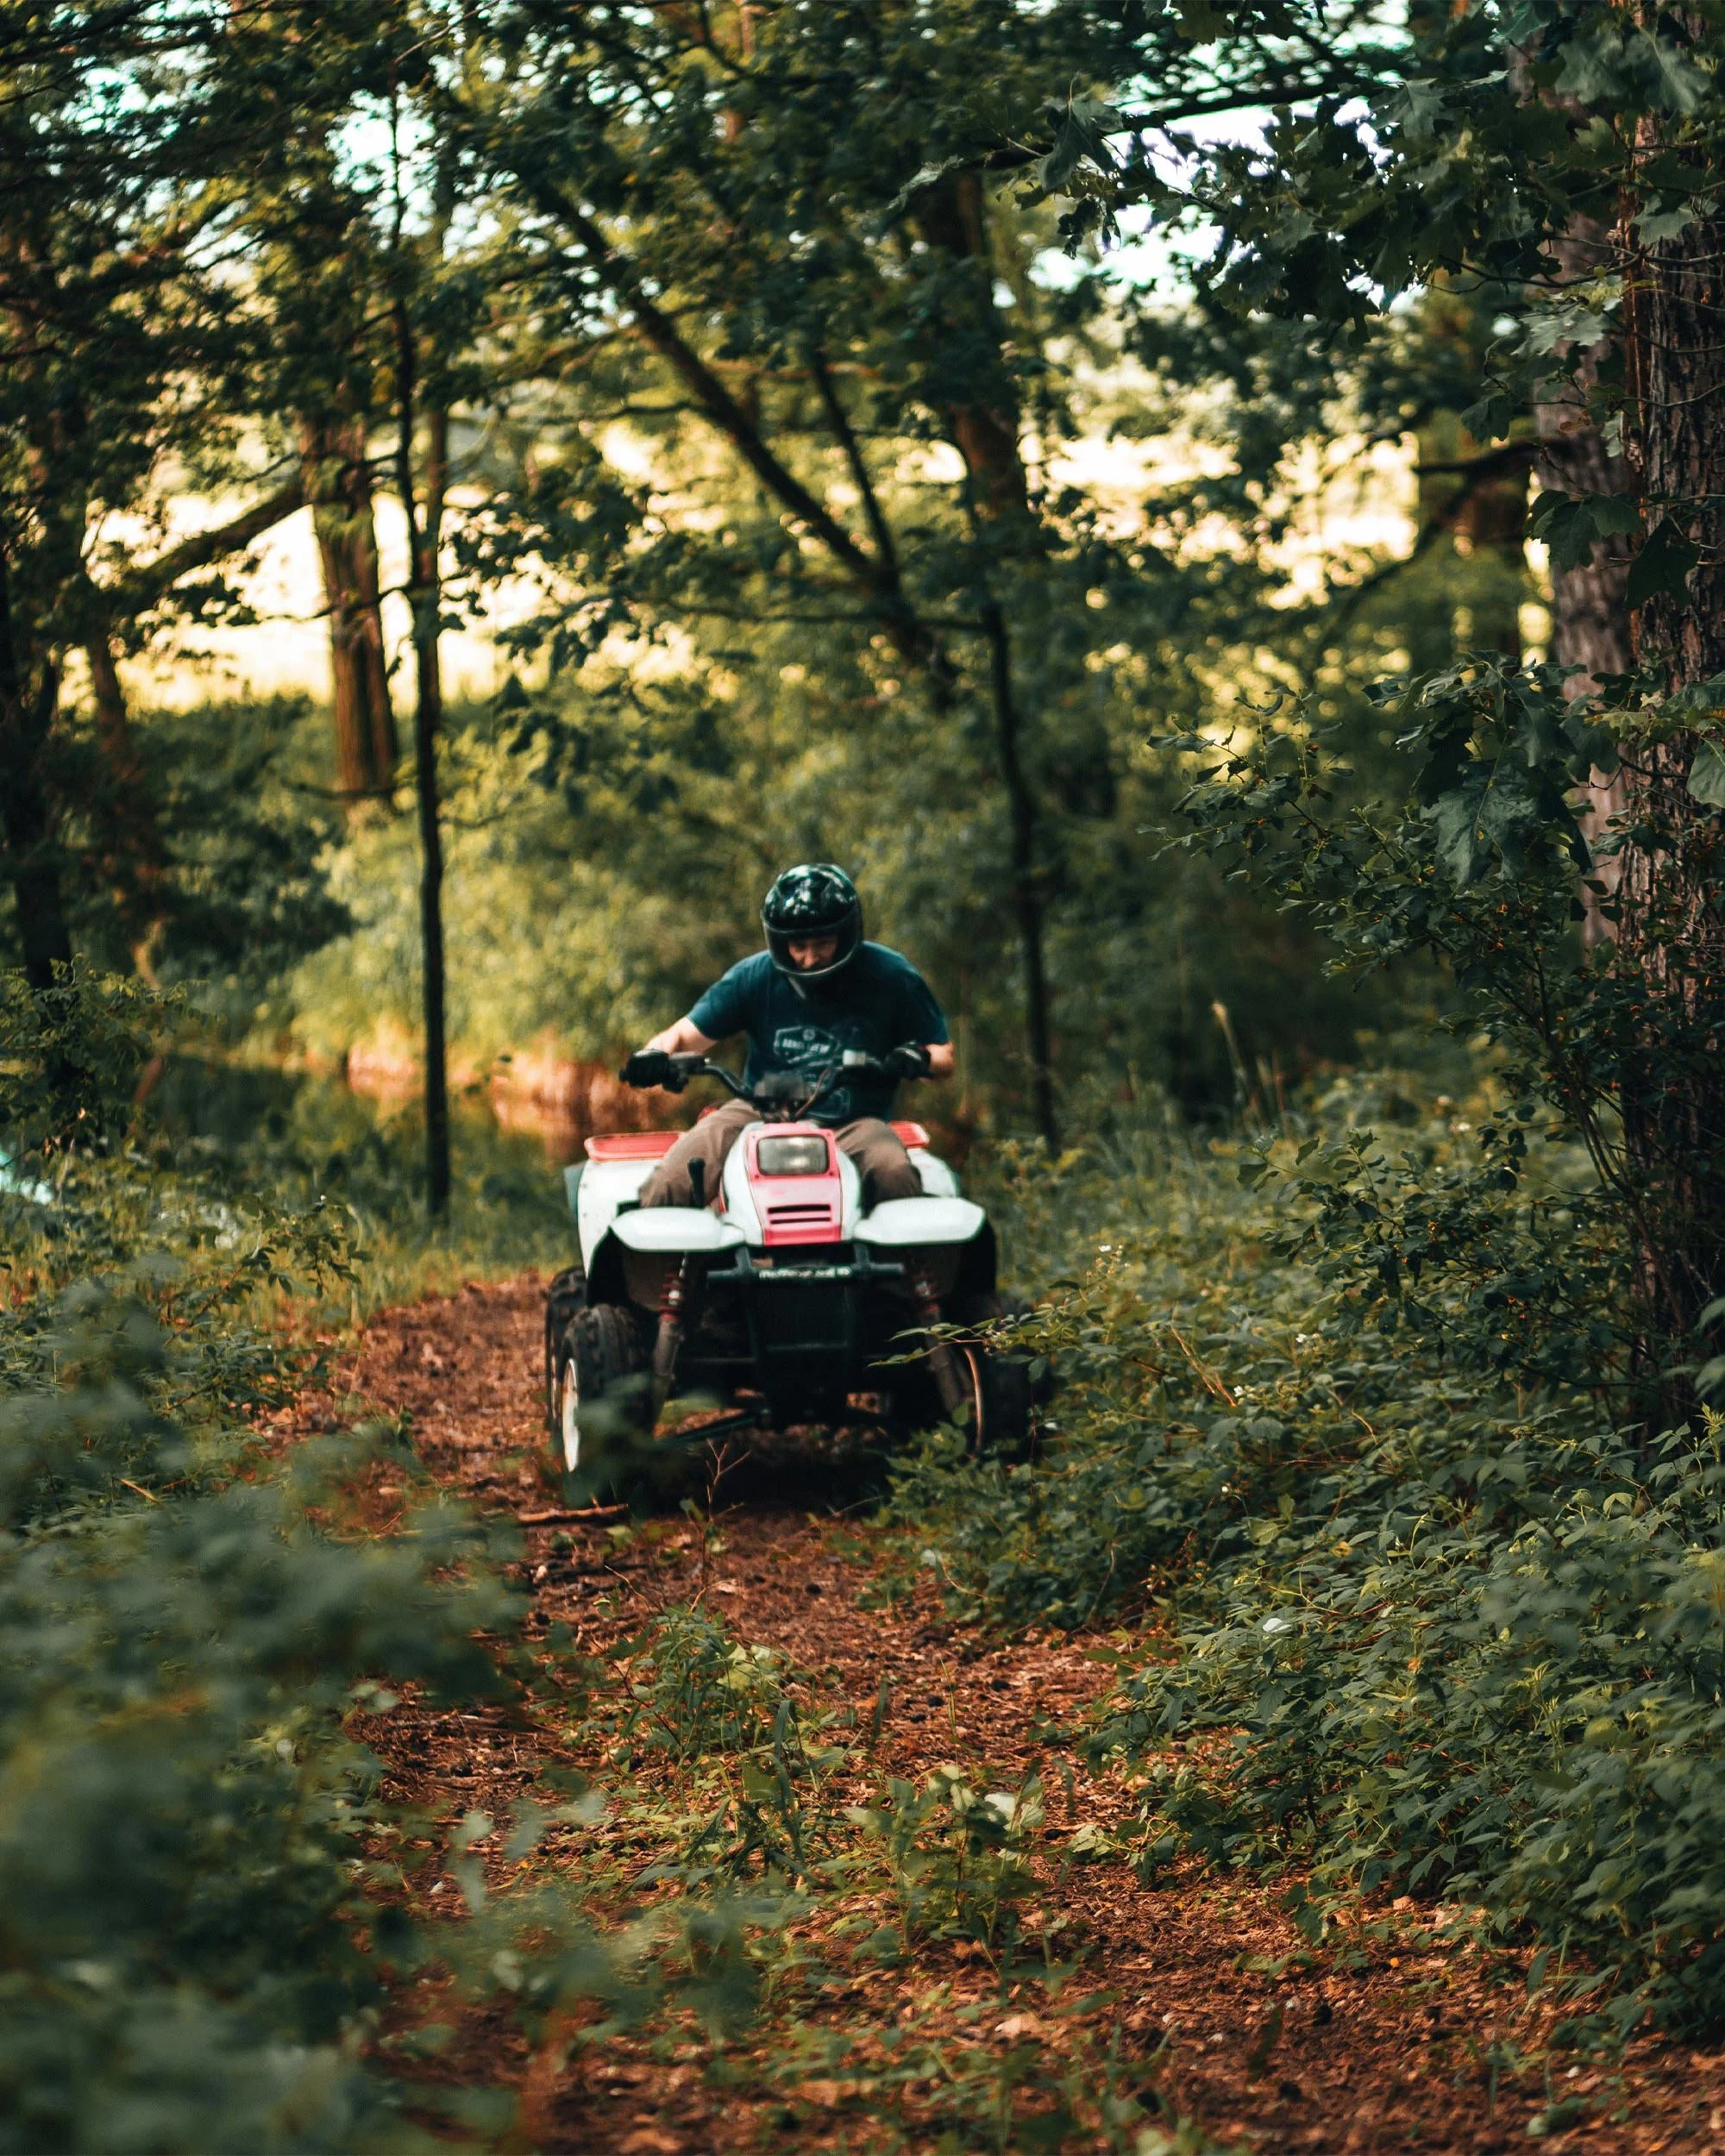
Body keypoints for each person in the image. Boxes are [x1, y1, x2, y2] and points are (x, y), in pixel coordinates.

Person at [632, 863, 955, 1209]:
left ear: (845, 935)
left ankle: (905, 1263)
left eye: (823, 943)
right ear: (780, 942)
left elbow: (944, 1056)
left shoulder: (891, 976)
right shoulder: (754, 977)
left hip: (854, 1122)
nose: (810, 958)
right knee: (673, 1179)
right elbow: (683, 1035)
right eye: (798, 945)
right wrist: (653, 1056)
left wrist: (917, 1059)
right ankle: (656, 1262)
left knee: (894, 1173)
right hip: (759, 1110)